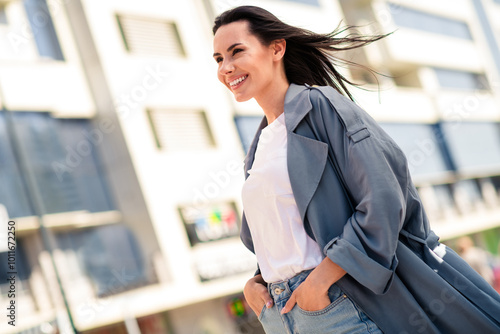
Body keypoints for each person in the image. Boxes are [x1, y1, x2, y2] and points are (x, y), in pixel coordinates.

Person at [212, 5, 500, 334]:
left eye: (237, 52)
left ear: (276, 48)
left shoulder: (320, 106)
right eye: (219, 59)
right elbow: (286, 234)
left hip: (336, 304)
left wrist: (320, 281)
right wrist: (256, 282)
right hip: (282, 316)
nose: (227, 67)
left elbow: (384, 196)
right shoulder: (260, 144)